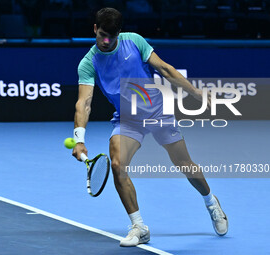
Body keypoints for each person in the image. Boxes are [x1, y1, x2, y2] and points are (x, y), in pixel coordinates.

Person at [72, 7, 228, 247]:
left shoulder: (134, 42)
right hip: (127, 120)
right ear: (95, 28)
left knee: (184, 164)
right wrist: (79, 138)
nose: (105, 41)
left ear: (119, 33)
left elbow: (165, 69)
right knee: (117, 164)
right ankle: (139, 226)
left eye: (110, 37)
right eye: (101, 34)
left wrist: (195, 93)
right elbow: (84, 102)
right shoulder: (88, 63)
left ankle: (211, 202)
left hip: (158, 113)